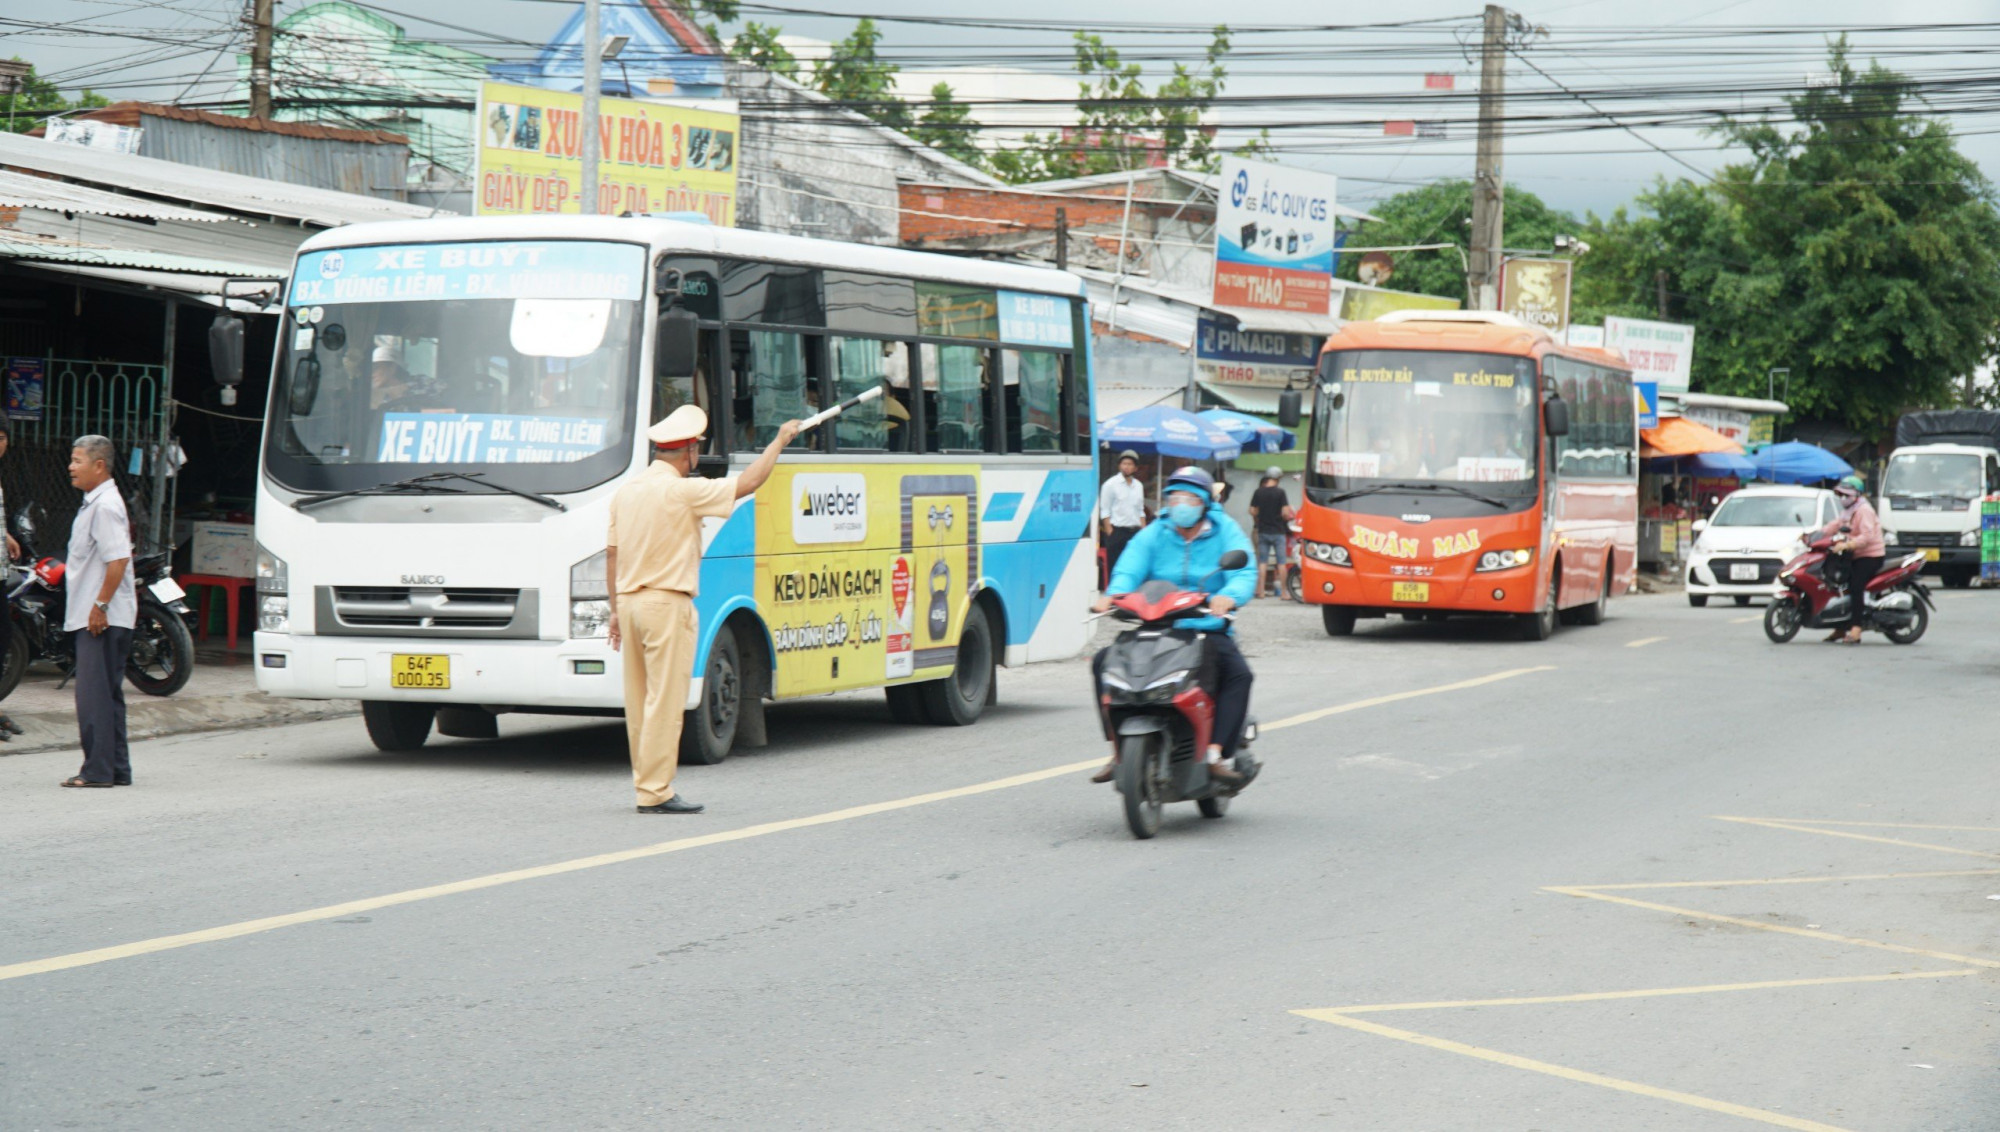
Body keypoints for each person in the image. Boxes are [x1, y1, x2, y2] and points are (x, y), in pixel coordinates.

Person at [606, 405, 800, 814]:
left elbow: (612, 553)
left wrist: (613, 612)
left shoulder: (627, 491)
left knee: (639, 702)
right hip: (665, 604)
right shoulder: (682, 491)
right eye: (695, 451)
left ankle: (645, 785)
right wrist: (779, 441)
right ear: (689, 452)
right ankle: (656, 792)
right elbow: (749, 482)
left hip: (629, 603)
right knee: (665, 701)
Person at [1089, 466, 1258, 784]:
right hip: (1157, 624)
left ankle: (1216, 753)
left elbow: (1244, 572)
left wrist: (1228, 597)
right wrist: (1112, 596)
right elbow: (1129, 567)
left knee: (1239, 674)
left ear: (1206, 502)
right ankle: (1118, 751)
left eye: (1190, 498)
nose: (1181, 504)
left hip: (1205, 626)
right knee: (1103, 663)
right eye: (1175, 497)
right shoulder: (1156, 532)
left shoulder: (1225, 531)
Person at [59, 435, 137, 788]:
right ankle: (116, 768)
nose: (71, 467)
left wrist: (99, 607)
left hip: (102, 617)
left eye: (77, 461)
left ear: (99, 465)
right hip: (104, 613)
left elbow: (118, 560)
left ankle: (97, 771)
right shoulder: (96, 502)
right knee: (107, 694)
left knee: (92, 696)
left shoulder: (104, 506)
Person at [1818, 473, 1884, 644]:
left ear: (1857, 495)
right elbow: (1835, 525)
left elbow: (1867, 536)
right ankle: (1841, 628)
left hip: (1870, 556)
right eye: (1841, 494)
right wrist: (1815, 535)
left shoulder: (1864, 510)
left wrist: (1847, 545)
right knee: (1839, 587)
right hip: (1853, 554)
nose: (1843, 498)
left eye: (1846, 495)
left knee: (1855, 587)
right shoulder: (1848, 511)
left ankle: (1856, 629)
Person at [1098, 450, 1148, 583]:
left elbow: (1140, 510)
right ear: (1119, 466)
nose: (1127, 466)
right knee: (1115, 566)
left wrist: (1144, 531)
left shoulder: (1138, 486)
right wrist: (1110, 532)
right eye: (1124, 463)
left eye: (1130, 464)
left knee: (1135, 565)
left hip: (1135, 531)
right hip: (1117, 531)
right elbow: (1105, 510)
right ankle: (1115, 596)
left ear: (1135, 468)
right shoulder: (1110, 484)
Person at [1248, 466, 1295, 599]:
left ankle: (1261, 591)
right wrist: (1284, 516)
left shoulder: (1258, 492)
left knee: (1263, 562)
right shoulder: (1281, 492)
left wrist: (1260, 515)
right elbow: (1286, 513)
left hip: (1263, 530)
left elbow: (1252, 511)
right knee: (1281, 562)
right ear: (1278, 478)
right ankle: (1284, 593)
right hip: (1278, 531)